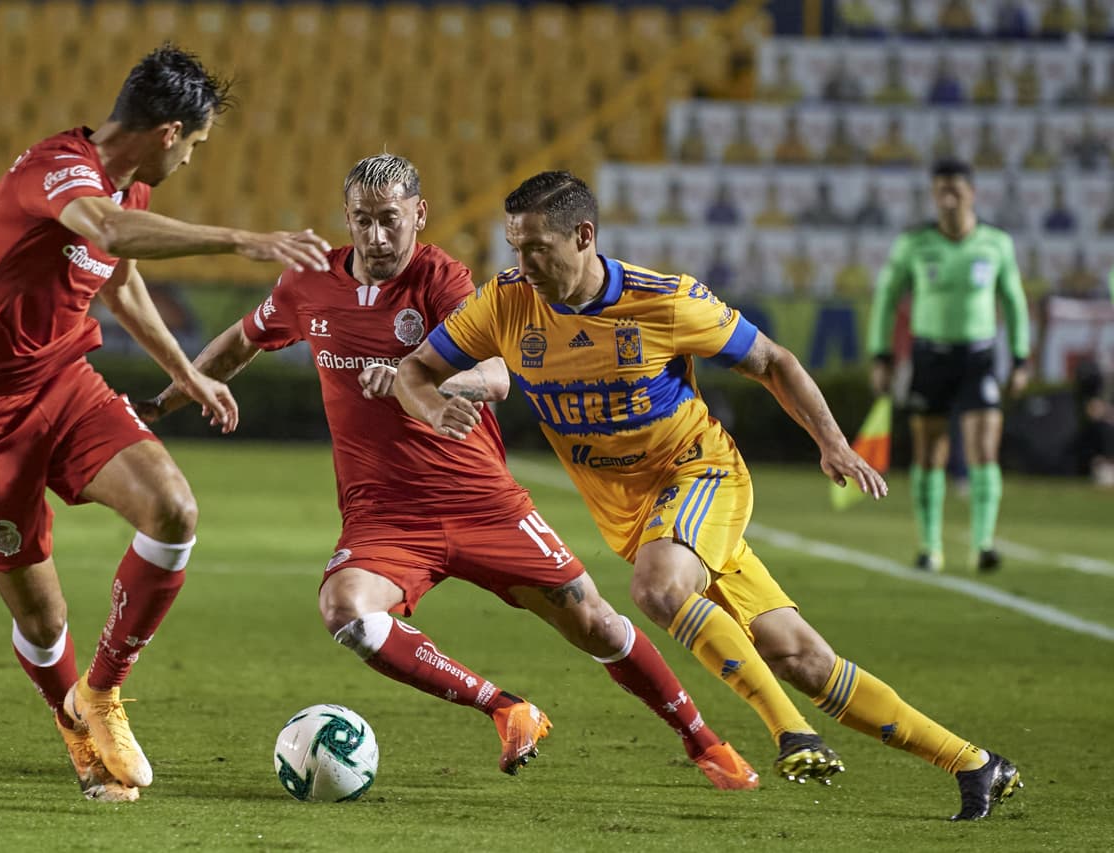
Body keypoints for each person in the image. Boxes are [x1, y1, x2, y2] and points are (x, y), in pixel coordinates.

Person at [395, 170, 1023, 821]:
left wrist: (832, 443)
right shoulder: (506, 303)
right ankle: (974, 763)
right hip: (636, 514)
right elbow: (415, 370)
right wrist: (434, 408)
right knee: (799, 656)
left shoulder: (663, 301)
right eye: (515, 248)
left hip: (700, 474)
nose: (523, 264)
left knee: (658, 588)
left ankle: (792, 732)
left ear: (583, 235)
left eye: (536, 248)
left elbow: (774, 361)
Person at [137, 154, 759, 790]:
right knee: (346, 609)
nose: (377, 236)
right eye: (362, 221)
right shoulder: (309, 282)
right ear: (346, 218)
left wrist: (423, 380)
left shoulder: (442, 280)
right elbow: (242, 340)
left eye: (390, 219)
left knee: (594, 623)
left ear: (419, 214)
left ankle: (705, 743)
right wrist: (166, 400)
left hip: (481, 501)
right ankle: (506, 708)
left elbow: (498, 372)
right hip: (385, 515)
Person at [0, 46, 333, 803]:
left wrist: (186, 373)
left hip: (62, 385)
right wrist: (240, 239)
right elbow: (106, 231)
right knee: (42, 619)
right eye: (196, 145)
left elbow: (122, 281)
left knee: (173, 509)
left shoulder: (128, 189)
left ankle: (101, 693)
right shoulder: (57, 169)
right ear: (170, 132)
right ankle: (72, 723)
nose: (192, 159)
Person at [867, 160, 1030, 573]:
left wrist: (1020, 357)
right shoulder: (914, 243)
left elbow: (1014, 300)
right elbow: (887, 298)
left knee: (984, 449)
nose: (948, 197)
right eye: (941, 189)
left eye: (955, 189)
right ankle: (930, 547)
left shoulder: (996, 243)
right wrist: (881, 355)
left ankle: (983, 544)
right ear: (933, 194)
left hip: (979, 357)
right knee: (929, 453)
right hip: (930, 357)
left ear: (972, 193)